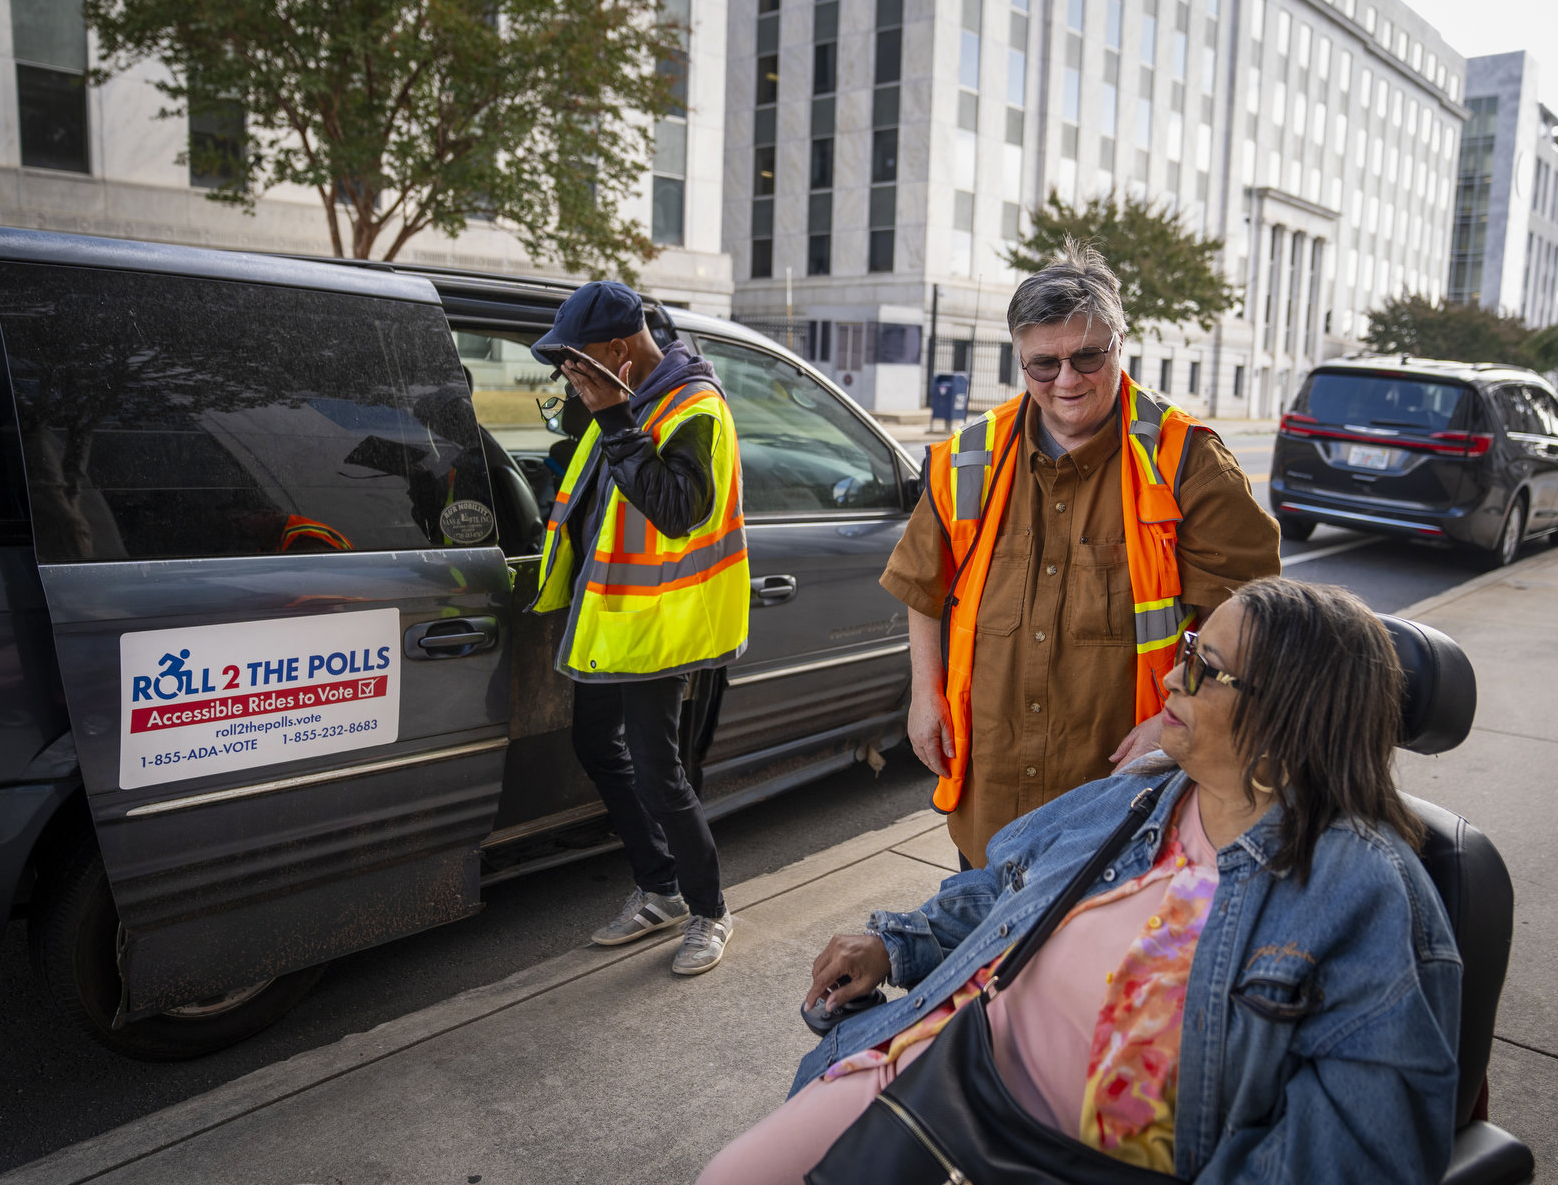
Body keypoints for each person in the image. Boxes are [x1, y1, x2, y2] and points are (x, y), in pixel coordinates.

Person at [700, 578, 1462, 1184]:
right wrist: (894, 945)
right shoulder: (1140, 794)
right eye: (1189, 646)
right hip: (940, 1078)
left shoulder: (1360, 890)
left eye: (1202, 667)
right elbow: (1007, 891)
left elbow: (1355, 1154)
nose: (1171, 672)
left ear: (1287, 716)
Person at [884, 240, 1280, 869]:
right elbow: (923, 590)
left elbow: (1253, 624)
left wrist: (1180, 718)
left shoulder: (1189, 463)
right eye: (1044, 364)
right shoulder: (969, 460)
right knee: (988, 963)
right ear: (1020, 361)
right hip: (991, 804)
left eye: (1087, 356)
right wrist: (924, 696)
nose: (1066, 380)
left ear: (1120, 344)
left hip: (1124, 807)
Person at [528, 281, 751, 975]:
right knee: (597, 744)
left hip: (661, 619)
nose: (568, 371)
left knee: (660, 773)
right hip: (610, 616)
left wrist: (616, 420)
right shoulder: (625, 399)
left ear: (618, 350)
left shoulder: (693, 405)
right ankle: (660, 887)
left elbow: (678, 510)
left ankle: (709, 908)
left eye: (575, 358)